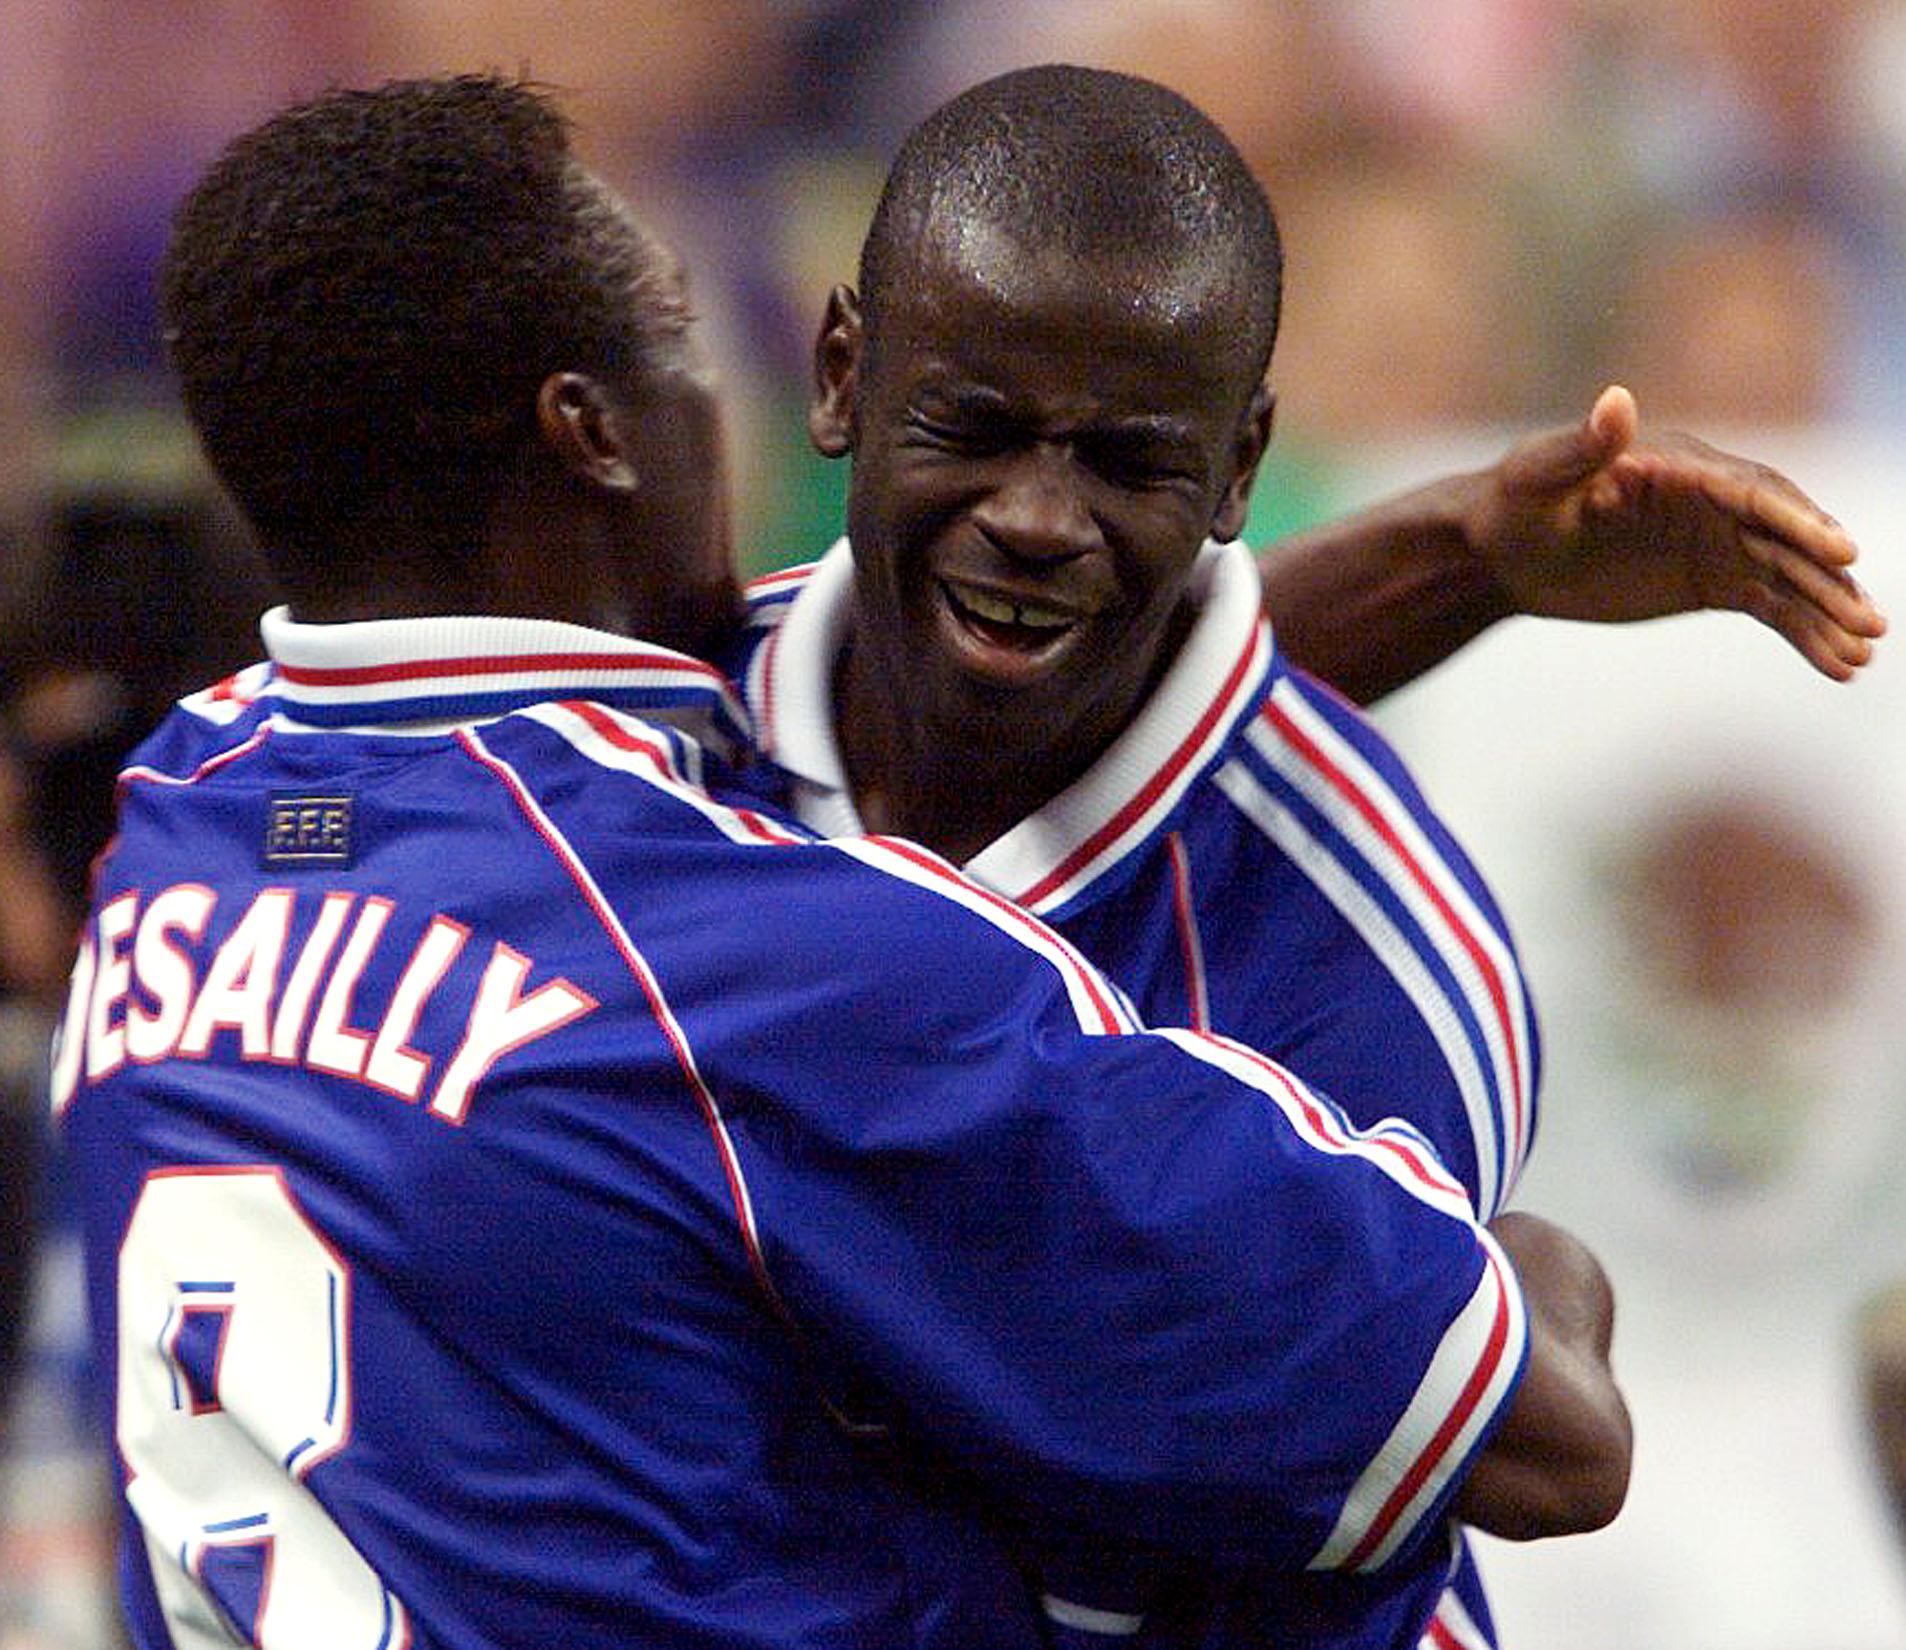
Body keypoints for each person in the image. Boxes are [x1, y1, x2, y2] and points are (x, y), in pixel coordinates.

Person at [57, 74, 1629, 1650]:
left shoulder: (180, 829)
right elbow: (1545, 1430)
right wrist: (1537, 1268)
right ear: (590, 432)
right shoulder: (783, 964)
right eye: (683, 340)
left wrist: (1449, 563)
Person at [729, 61, 1878, 1647]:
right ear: (843, 373)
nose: (1037, 517)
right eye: (972, 426)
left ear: (1238, 468)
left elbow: (1500, 1465)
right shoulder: (647, 741)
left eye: (1127, 462)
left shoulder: (1374, 959)